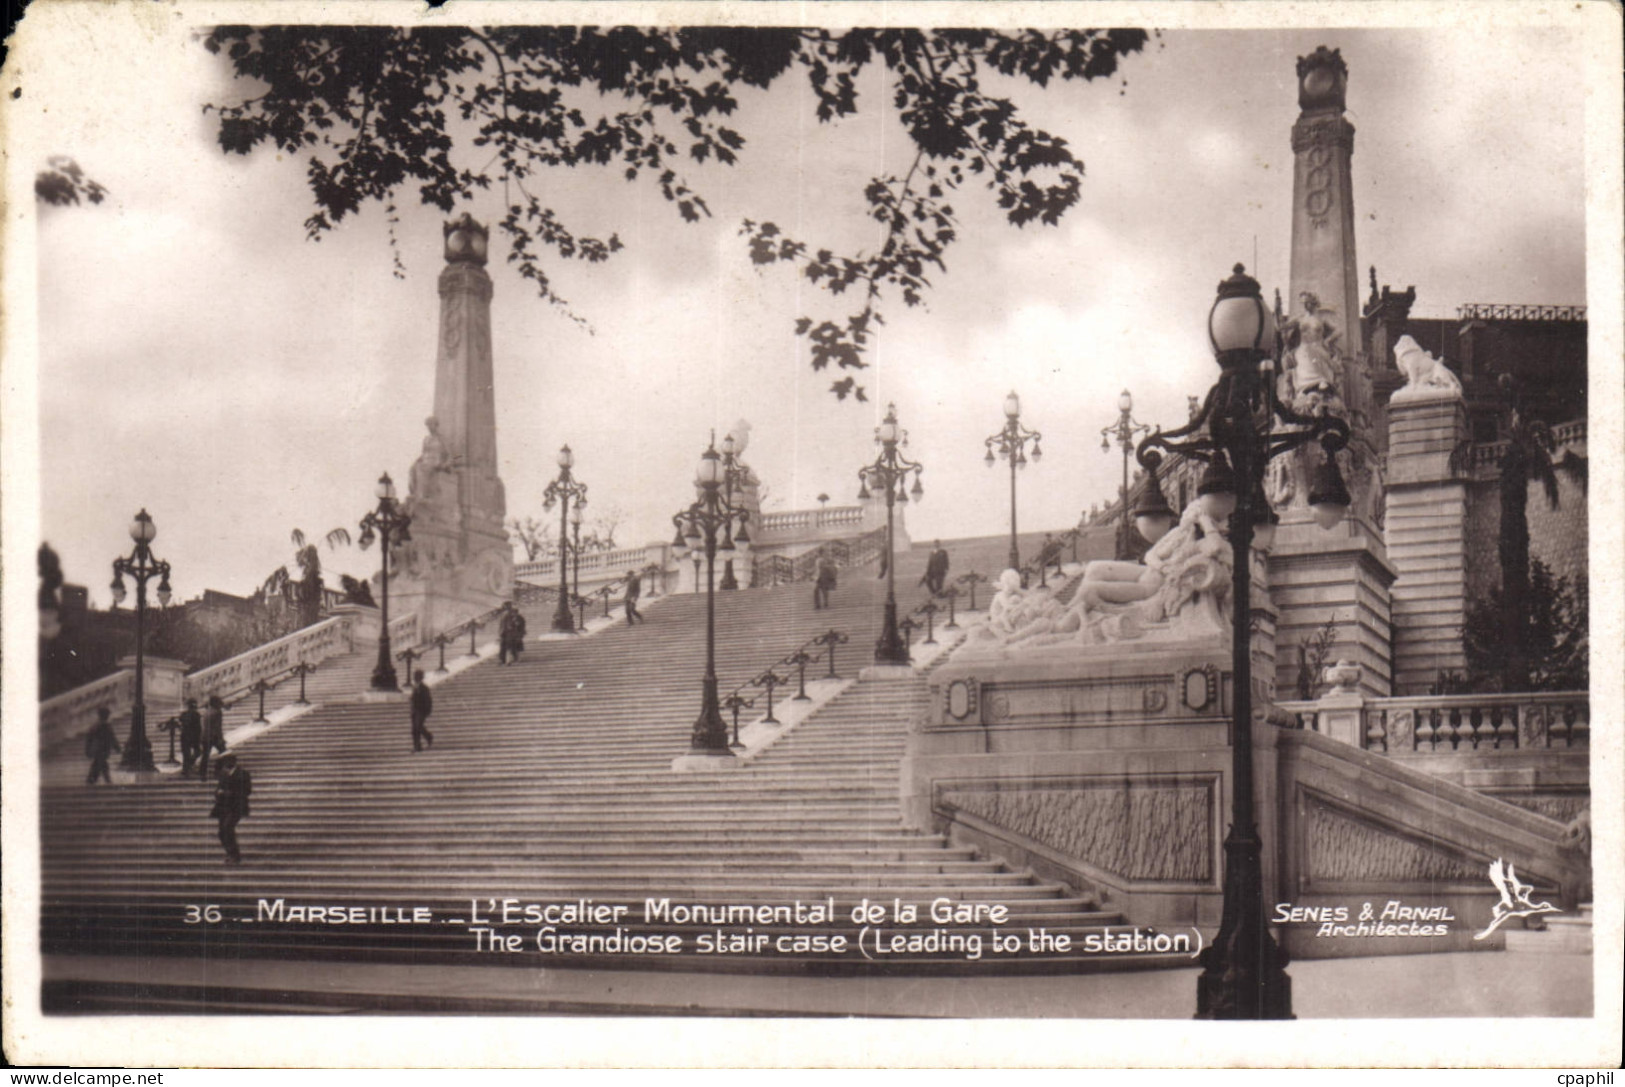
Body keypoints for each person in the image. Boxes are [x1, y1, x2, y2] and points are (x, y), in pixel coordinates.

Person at [210, 753, 252, 865]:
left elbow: (247, 791)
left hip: (236, 807)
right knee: (221, 832)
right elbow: (218, 789)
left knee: (227, 828)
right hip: (223, 807)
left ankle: (235, 855)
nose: (223, 767)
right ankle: (230, 853)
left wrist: (229, 793)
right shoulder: (224, 775)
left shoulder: (243, 774)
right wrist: (218, 793)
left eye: (225, 764)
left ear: (231, 764)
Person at [84, 706, 120, 786]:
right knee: (100, 764)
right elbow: (112, 738)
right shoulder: (106, 726)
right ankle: (100, 779)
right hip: (103, 749)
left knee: (99, 763)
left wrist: (88, 749)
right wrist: (117, 748)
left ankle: (93, 780)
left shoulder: (95, 726)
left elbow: (89, 738)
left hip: (97, 748)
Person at [198, 694, 226, 784]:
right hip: (214, 736)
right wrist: (220, 738)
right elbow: (217, 727)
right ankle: (217, 771)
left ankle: (202, 774)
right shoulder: (217, 712)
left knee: (205, 756)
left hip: (205, 736)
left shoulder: (207, 711)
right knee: (224, 753)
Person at [177, 697, 203, 778]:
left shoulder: (183, 714)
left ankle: (186, 769)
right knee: (198, 751)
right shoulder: (197, 715)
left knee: (186, 754)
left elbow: (180, 723)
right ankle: (190, 764)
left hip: (184, 736)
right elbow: (198, 727)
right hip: (194, 736)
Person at [410, 670, 434, 751]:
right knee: (414, 729)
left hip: (421, 711)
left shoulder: (424, 688)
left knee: (418, 726)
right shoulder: (414, 687)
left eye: (417, 676)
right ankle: (417, 746)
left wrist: (428, 710)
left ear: (420, 678)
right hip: (414, 711)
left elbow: (428, 700)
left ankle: (428, 736)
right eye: (415, 676)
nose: (415, 678)